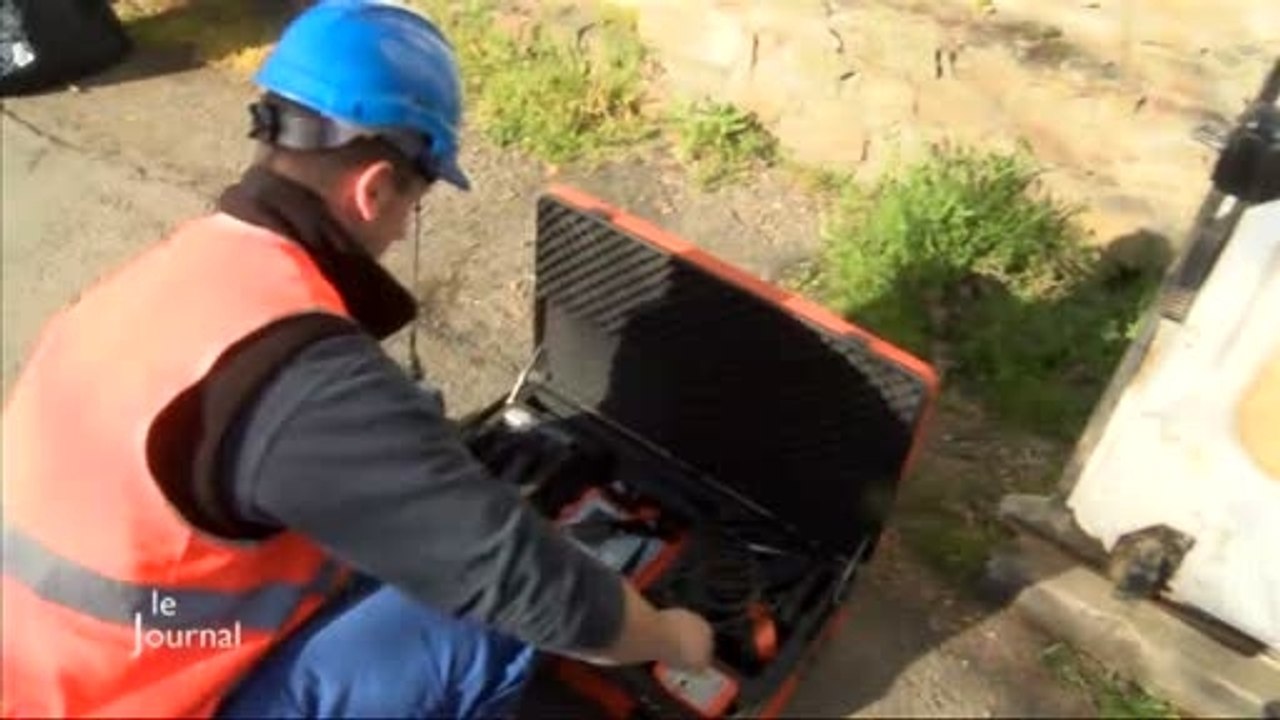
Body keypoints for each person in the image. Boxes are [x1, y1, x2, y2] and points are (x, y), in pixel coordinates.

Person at [0, 1, 714, 717]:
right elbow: (525, 586)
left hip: (44, 672)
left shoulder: (185, 273)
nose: (403, 231)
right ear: (373, 190)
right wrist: (672, 638)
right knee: (483, 628)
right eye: (415, 205)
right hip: (134, 701)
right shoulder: (298, 379)